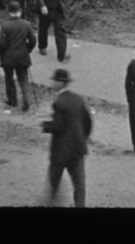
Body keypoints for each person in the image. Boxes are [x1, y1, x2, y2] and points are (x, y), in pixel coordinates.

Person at [41, 68, 92, 208]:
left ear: (60, 83)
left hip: (61, 150)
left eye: (54, 81)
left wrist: (45, 125)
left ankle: (51, 202)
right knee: (79, 184)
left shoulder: (59, 102)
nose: (52, 84)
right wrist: (82, 138)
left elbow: (58, 126)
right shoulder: (78, 98)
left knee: (54, 180)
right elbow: (88, 122)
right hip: (78, 149)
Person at [0, 0, 37, 111]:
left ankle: (12, 101)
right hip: (22, 56)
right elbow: (33, 40)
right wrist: (27, 50)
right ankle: (26, 101)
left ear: (9, 12)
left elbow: (2, 44)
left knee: (9, 79)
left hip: (8, 57)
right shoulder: (27, 24)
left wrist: (2, 56)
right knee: (23, 79)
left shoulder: (5, 26)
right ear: (20, 11)